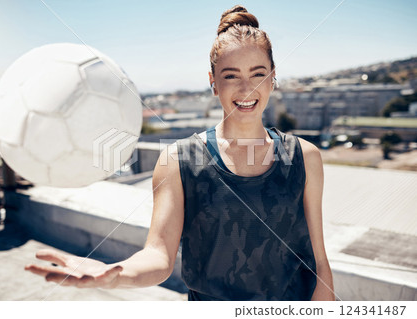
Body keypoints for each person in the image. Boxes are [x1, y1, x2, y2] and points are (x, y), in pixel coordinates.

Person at [25, 4, 335, 301]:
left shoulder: (304, 157)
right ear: (213, 82)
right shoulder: (178, 161)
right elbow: (158, 254)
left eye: (258, 73)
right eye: (230, 75)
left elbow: (319, 263)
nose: (247, 89)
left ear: (273, 76)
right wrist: (118, 272)